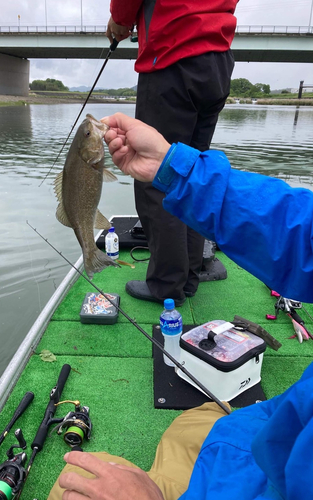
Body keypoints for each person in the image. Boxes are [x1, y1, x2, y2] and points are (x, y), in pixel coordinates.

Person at [47, 113, 313, 500]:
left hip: (259, 476)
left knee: (69, 483)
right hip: (275, 432)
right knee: (201, 416)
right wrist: (173, 168)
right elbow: (300, 231)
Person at [106, 0, 238, 307]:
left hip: (172, 58)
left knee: (157, 175)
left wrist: (120, 19)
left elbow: (125, 8)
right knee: (191, 170)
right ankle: (190, 274)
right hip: (218, 62)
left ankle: (167, 284)